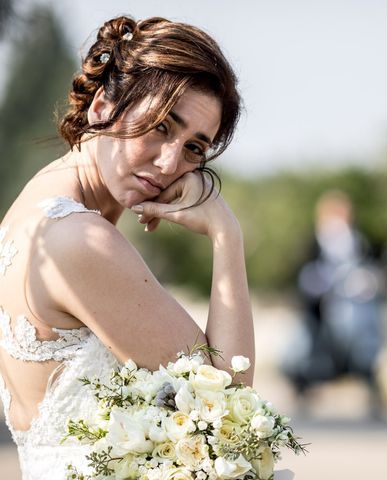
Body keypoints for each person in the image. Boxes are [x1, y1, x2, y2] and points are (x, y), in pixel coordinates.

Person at [0, 15, 254, 479]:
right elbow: (229, 411)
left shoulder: (32, 210)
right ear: (101, 106)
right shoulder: (81, 239)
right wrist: (226, 236)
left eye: (195, 148)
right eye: (160, 125)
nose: (170, 162)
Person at [281, 190, 385, 419]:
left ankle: (371, 388)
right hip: (318, 310)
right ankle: (303, 389)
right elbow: (304, 275)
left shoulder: (359, 241)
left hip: (352, 309)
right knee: (306, 350)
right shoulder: (313, 241)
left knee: (364, 347)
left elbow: (370, 270)